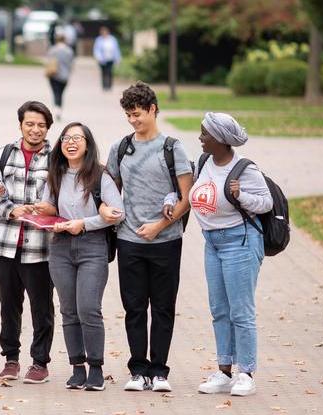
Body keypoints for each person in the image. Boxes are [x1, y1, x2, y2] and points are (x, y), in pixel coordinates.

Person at [106, 82, 192, 392]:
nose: (133, 120)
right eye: (128, 115)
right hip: (129, 240)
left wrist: (158, 225)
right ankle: (138, 370)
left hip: (166, 241)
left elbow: (187, 198)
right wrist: (108, 211)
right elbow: (110, 190)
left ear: (153, 109)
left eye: (138, 114)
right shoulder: (120, 148)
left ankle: (159, 372)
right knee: (134, 307)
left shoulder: (172, 148)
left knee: (163, 307)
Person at [35, 122, 123, 391]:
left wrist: (84, 224)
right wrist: (43, 213)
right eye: (66, 138)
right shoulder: (56, 174)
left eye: (77, 138)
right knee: (69, 310)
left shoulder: (100, 175)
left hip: (92, 247)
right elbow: (50, 208)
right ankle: (77, 368)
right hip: (60, 247)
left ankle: (95, 368)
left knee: (88, 308)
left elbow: (117, 213)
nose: (71, 143)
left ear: (88, 144)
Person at [190, 113, 273, 397]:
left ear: (221, 139)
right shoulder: (204, 162)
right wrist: (170, 199)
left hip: (240, 242)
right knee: (219, 310)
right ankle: (224, 372)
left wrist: (241, 197)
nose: (200, 137)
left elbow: (266, 203)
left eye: (205, 134)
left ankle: (246, 373)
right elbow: (191, 191)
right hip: (212, 243)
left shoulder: (245, 169)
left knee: (241, 311)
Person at [0, 101, 56, 385]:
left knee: (42, 308)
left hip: (41, 248)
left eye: (41, 125)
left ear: (48, 128)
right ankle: (11, 359)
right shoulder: (3, 154)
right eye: (30, 124)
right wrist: (11, 210)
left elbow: (66, 196)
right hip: (4, 246)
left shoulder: (57, 159)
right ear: (21, 125)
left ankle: (39, 362)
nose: (35, 130)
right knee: (8, 306)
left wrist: (48, 209)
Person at [45, 34, 74, 121]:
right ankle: (59, 109)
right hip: (65, 76)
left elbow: (48, 61)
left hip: (54, 74)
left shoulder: (52, 50)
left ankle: (56, 108)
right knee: (61, 93)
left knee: (55, 92)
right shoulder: (69, 51)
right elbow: (71, 64)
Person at [93, 26, 121, 92]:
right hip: (102, 60)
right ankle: (104, 86)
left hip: (110, 59)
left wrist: (118, 58)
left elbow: (116, 49)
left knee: (110, 72)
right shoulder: (99, 40)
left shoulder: (112, 39)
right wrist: (98, 57)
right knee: (104, 73)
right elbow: (96, 50)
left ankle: (109, 86)